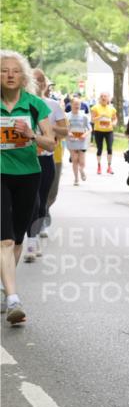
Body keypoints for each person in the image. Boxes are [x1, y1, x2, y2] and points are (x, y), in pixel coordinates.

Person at [1, 50, 56, 325]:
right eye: (3, 70)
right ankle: (13, 299)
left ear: (23, 76)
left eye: (14, 70)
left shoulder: (35, 105)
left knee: (19, 239)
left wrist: (31, 135)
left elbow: (51, 143)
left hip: (28, 174)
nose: (9, 75)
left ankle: (4, 285)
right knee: (5, 238)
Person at [25, 69, 67, 260]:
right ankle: (30, 241)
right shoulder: (20, 102)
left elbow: (65, 131)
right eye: (35, 79)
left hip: (46, 157)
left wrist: (47, 128)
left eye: (41, 80)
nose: (38, 83)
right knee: (29, 201)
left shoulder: (52, 105)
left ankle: (34, 237)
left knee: (42, 200)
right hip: (23, 158)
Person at [65, 97, 91, 185]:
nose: (77, 106)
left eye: (78, 104)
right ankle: (76, 179)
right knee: (75, 159)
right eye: (75, 104)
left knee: (82, 161)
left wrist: (85, 134)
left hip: (81, 140)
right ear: (71, 105)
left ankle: (81, 170)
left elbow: (89, 129)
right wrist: (68, 133)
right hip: (71, 140)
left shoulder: (84, 116)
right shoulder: (67, 116)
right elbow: (64, 128)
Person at [90, 91, 117, 174]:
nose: (103, 98)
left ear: (108, 98)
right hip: (98, 130)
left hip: (109, 131)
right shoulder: (95, 108)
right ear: (99, 98)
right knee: (99, 149)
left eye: (105, 96)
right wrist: (100, 117)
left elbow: (115, 119)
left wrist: (114, 123)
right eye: (102, 96)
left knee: (109, 148)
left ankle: (109, 167)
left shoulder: (112, 109)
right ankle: (99, 166)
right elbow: (92, 120)